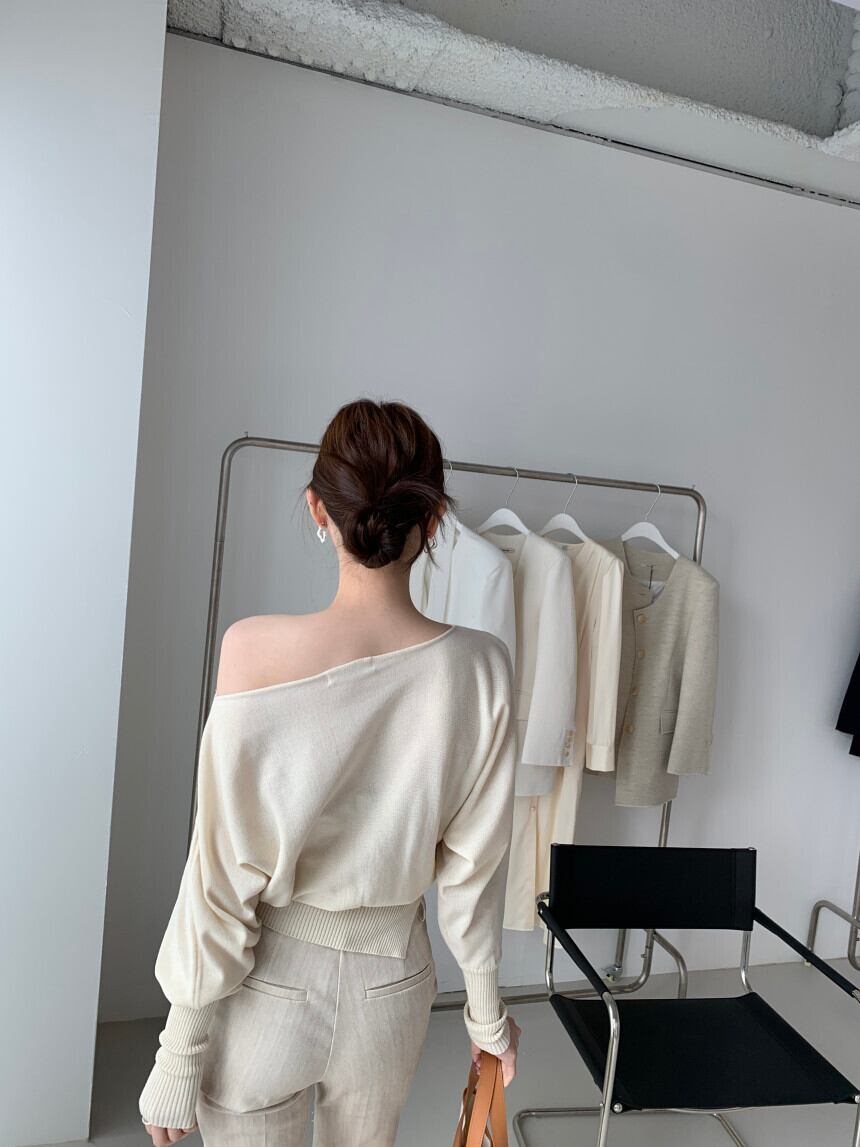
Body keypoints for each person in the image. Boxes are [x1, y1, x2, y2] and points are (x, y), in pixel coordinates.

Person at [139, 398, 522, 1147]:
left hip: (263, 987)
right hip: (394, 989)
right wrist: (486, 1018)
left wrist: (178, 1051)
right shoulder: (483, 669)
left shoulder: (252, 652)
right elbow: (475, 871)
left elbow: (219, 871)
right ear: (434, 520)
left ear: (319, 508)